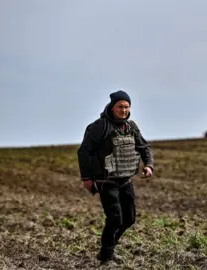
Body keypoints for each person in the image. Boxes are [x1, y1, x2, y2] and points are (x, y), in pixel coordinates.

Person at [76, 90, 154, 264]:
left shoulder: (131, 127)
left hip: (126, 180)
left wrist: (148, 165)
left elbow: (144, 147)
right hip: (106, 181)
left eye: (127, 107)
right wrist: (86, 178)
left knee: (130, 218)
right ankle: (106, 255)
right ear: (112, 107)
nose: (124, 110)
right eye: (120, 106)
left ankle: (108, 246)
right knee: (115, 218)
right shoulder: (100, 127)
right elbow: (83, 152)